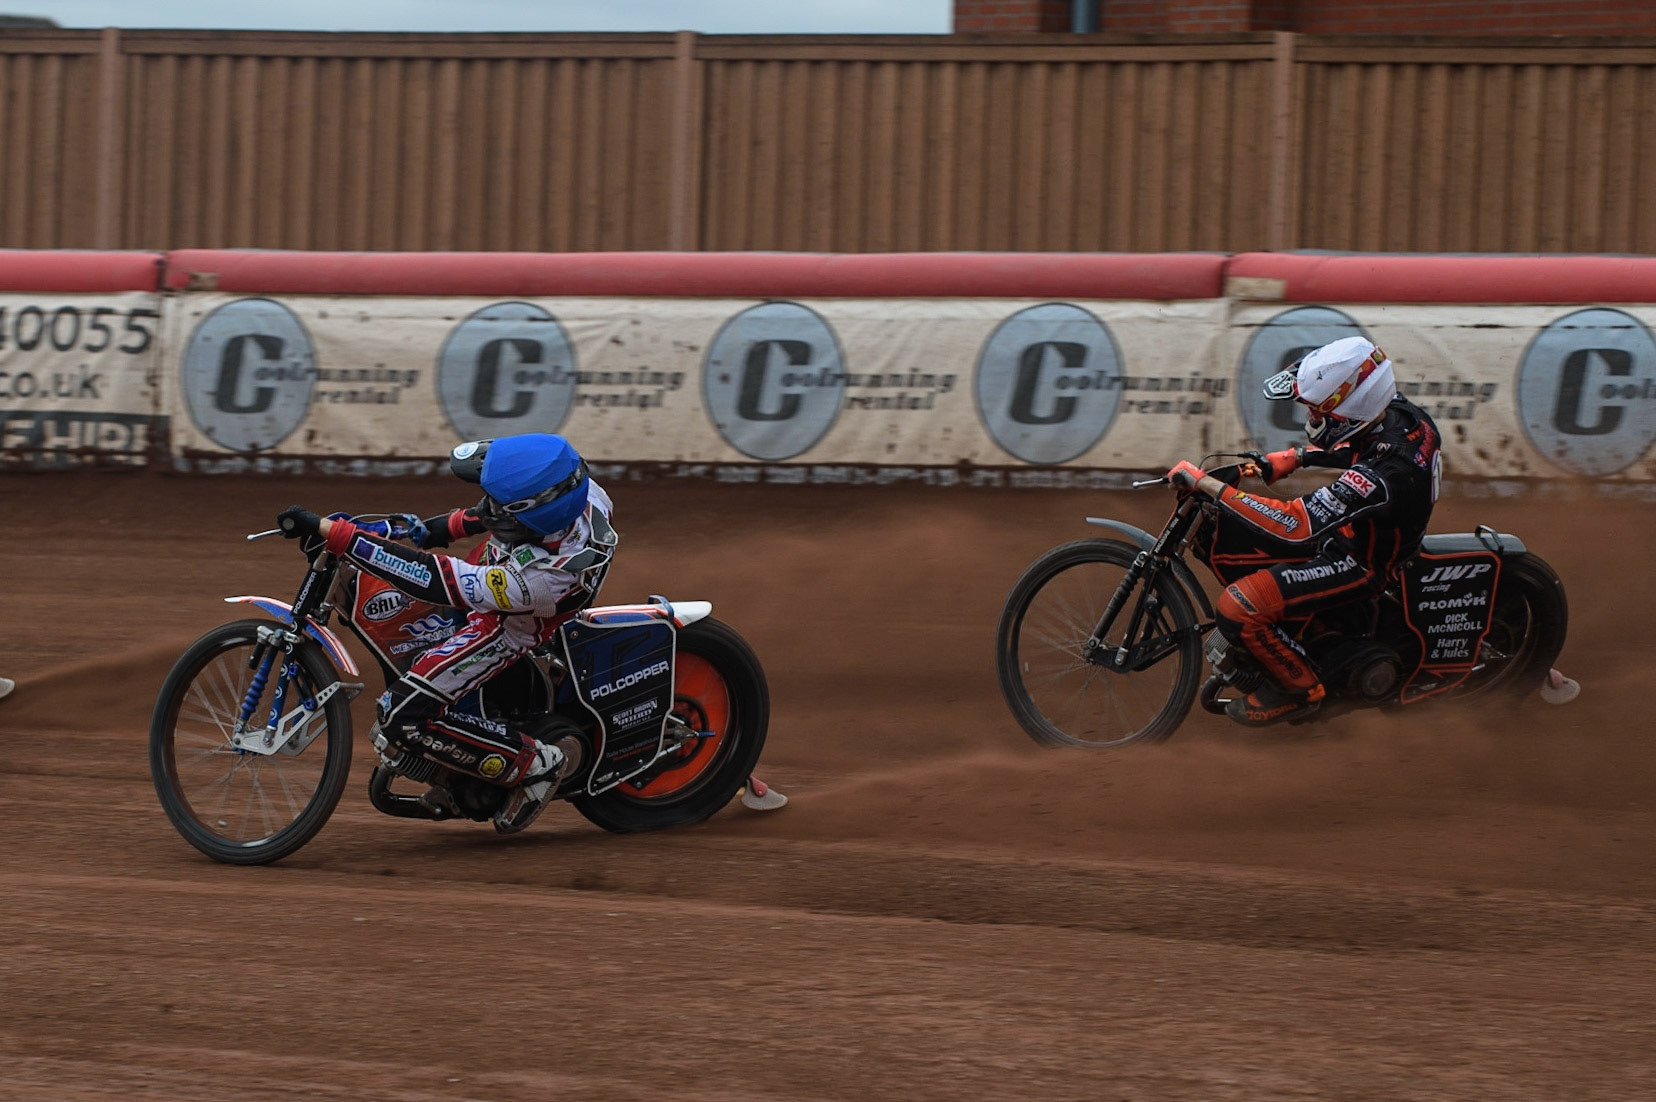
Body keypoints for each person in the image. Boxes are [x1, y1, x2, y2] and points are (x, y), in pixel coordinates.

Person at [276, 432, 617, 832]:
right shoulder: (578, 488)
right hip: (504, 574)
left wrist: (341, 537)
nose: (489, 508)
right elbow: (500, 507)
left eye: (501, 507)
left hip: (503, 627)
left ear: (529, 517)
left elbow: (436, 578)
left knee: (399, 716)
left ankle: (536, 764)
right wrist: (441, 528)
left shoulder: (540, 580)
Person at [1166, 336, 1441, 726]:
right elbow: (1360, 445)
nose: (1311, 417)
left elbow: (1295, 524)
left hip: (1360, 563)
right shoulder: (1399, 413)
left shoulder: (1386, 472)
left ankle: (1300, 691)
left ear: (1351, 410)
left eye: (1317, 410)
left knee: (1238, 606)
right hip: (1355, 533)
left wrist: (1209, 485)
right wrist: (1294, 458)